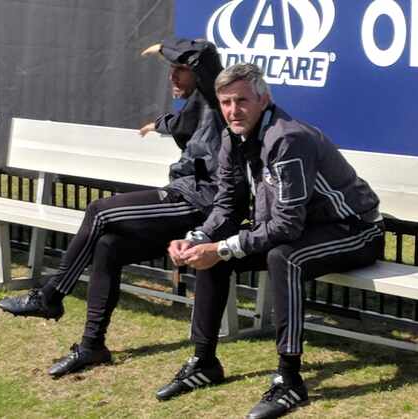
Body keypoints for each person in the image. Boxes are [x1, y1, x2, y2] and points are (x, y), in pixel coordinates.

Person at [156, 63, 385, 419]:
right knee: (213, 255)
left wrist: (220, 247)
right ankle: (204, 361)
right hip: (306, 228)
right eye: (226, 102)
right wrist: (197, 239)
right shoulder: (232, 135)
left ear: (264, 98)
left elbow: (286, 227)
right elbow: (228, 203)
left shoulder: (287, 138)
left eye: (242, 100)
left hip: (355, 230)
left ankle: (290, 380)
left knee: (282, 257)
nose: (233, 110)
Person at [0, 38, 229, 378]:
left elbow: (203, 57)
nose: (172, 77)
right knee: (108, 246)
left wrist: (166, 47)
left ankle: (50, 295)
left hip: (199, 205)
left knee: (100, 211)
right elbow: (183, 124)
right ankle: (93, 346)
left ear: (198, 73)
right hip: (181, 197)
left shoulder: (218, 97)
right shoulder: (200, 106)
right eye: (170, 70)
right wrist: (159, 125)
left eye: (180, 69)